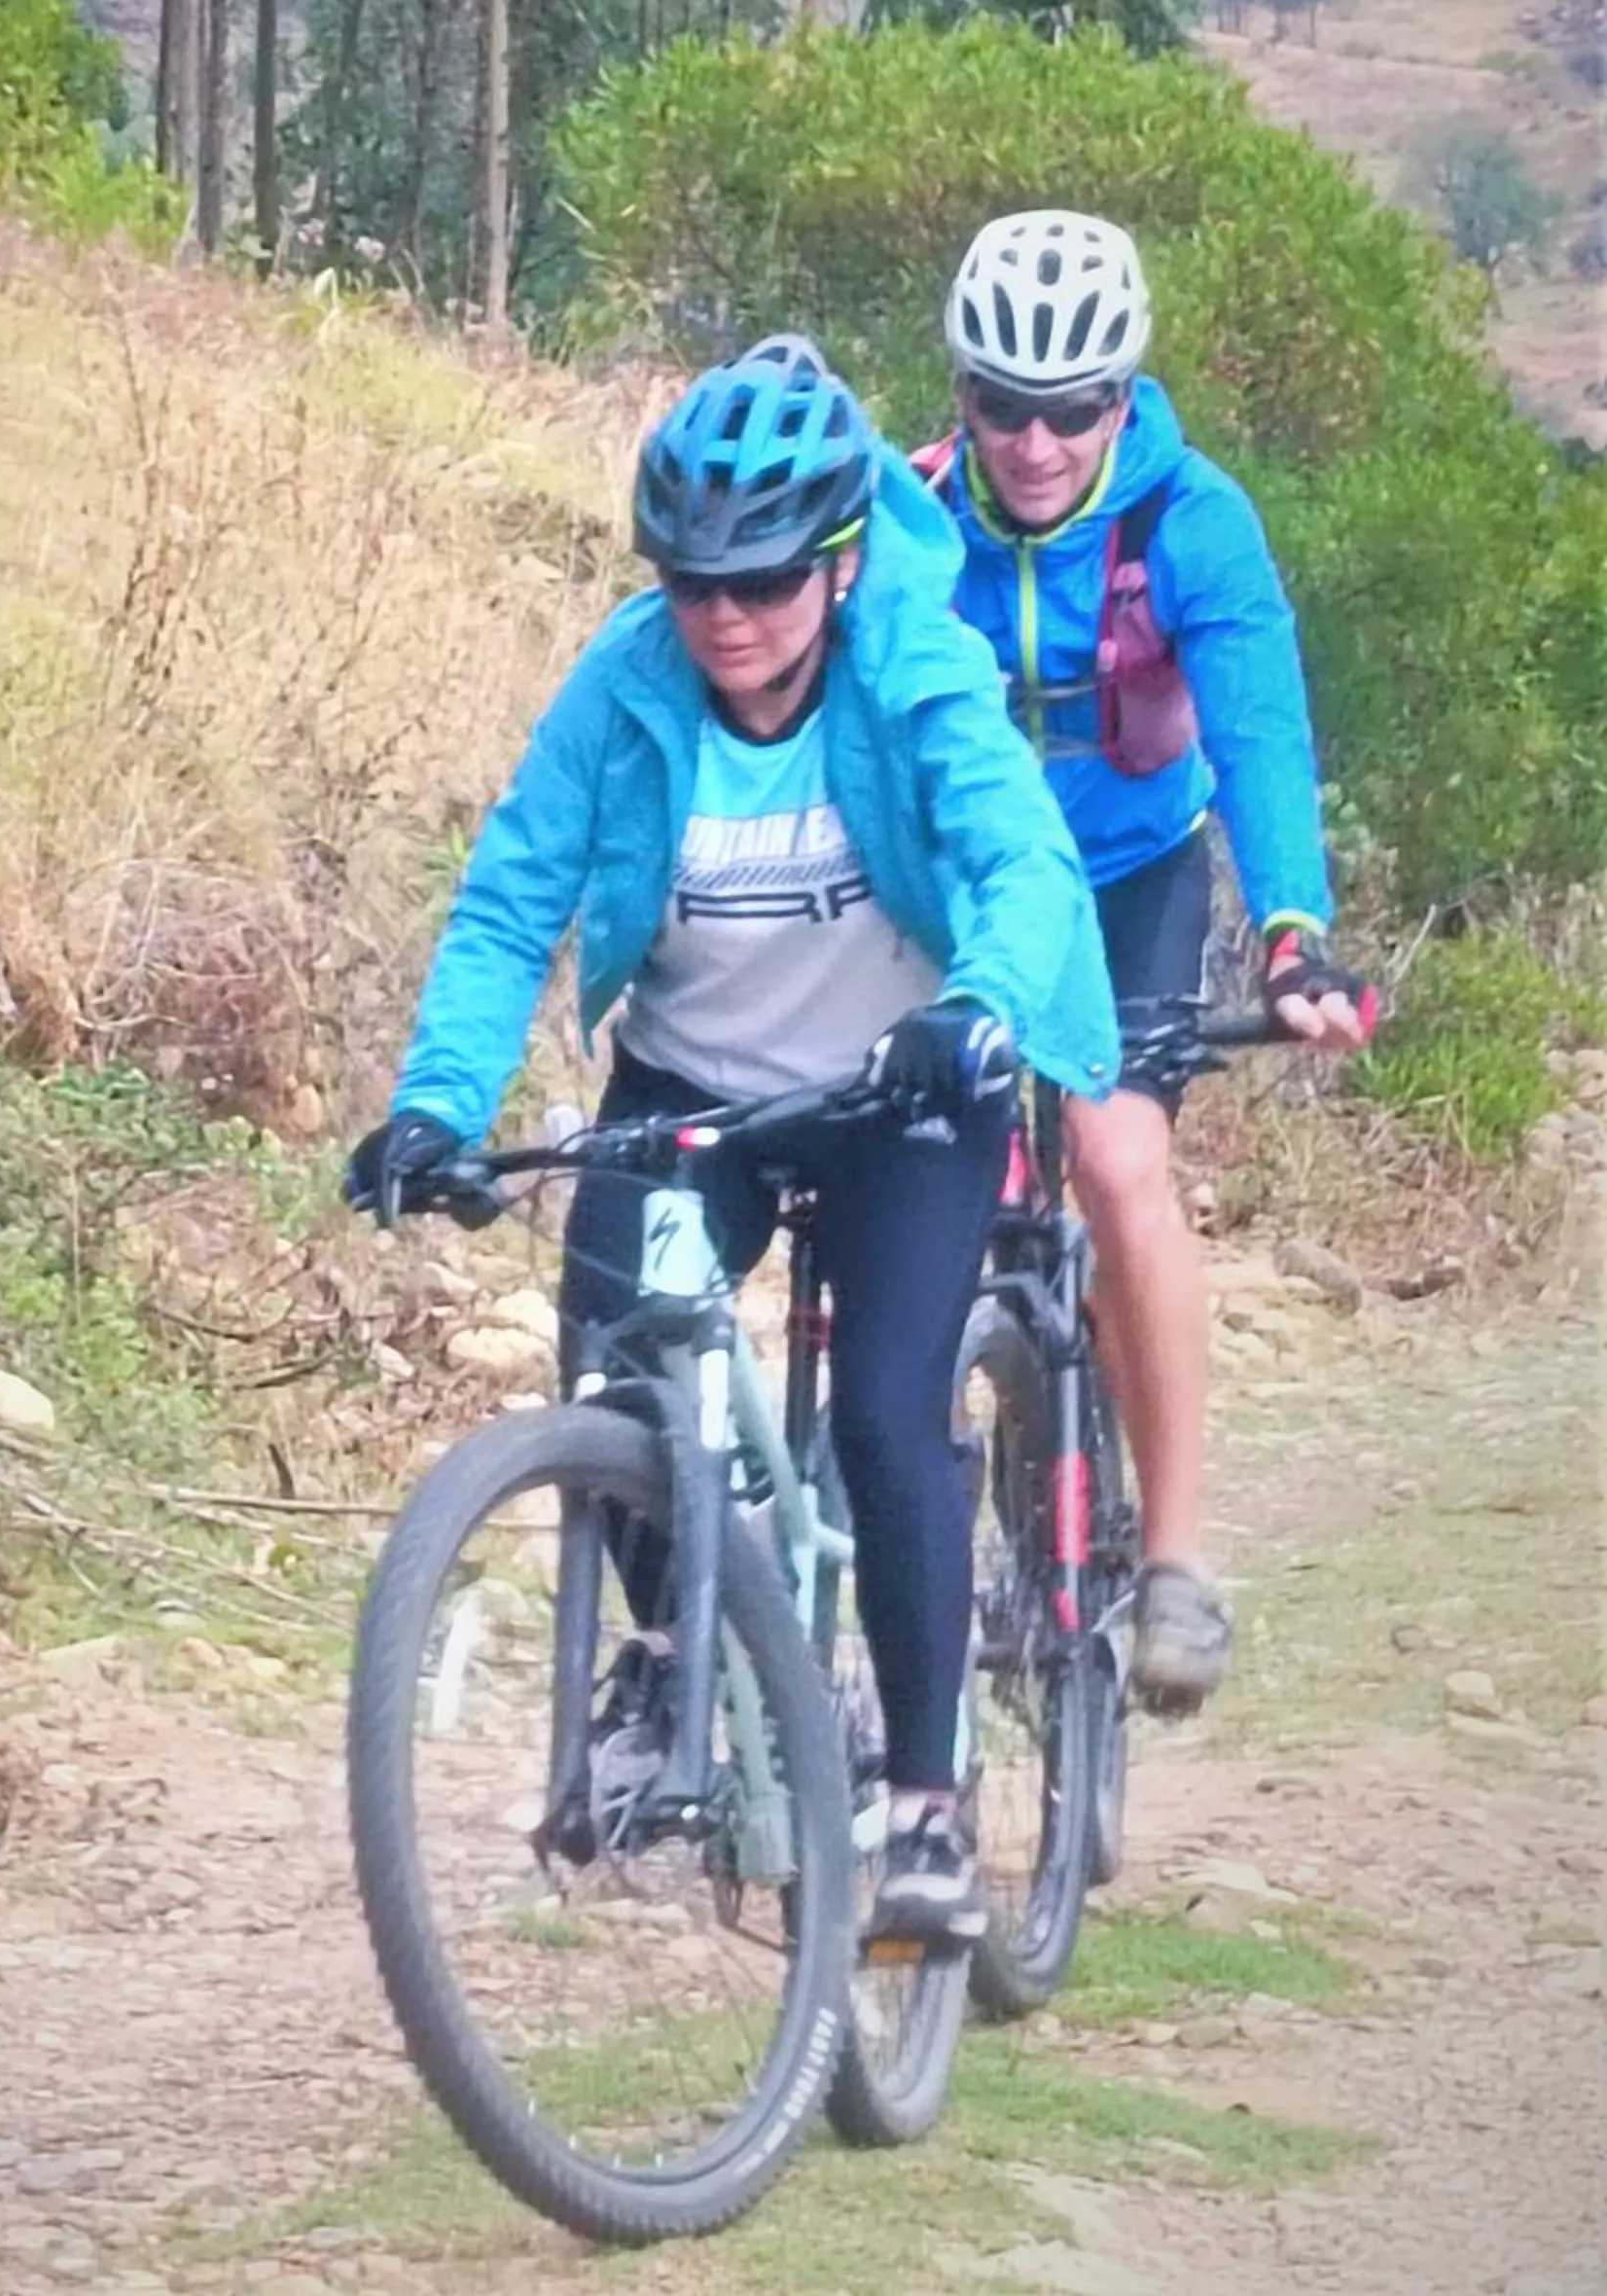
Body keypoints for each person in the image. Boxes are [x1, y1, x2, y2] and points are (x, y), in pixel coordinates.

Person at [346, 336, 1122, 1941]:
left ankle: (922, 1804)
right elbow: (509, 901)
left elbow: (1019, 861)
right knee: (614, 1354)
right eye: (692, 582)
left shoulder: (912, 660)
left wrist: (977, 1005)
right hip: (694, 1094)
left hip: (901, 1092)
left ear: (836, 565)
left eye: (763, 581)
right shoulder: (626, 686)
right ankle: (687, 1654)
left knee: (896, 1420)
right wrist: (436, 1101)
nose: (724, 616)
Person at [924, 210, 1375, 1714]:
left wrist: (1293, 932)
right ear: (960, 397)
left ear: (1123, 397)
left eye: (1072, 410)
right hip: (971, 895)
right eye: (1002, 406)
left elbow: (1256, 736)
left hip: (1130, 878)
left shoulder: (1192, 523)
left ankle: (1172, 1559)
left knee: (1116, 1167)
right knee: (919, 1183)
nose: (1036, 443)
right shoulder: (919, 522)